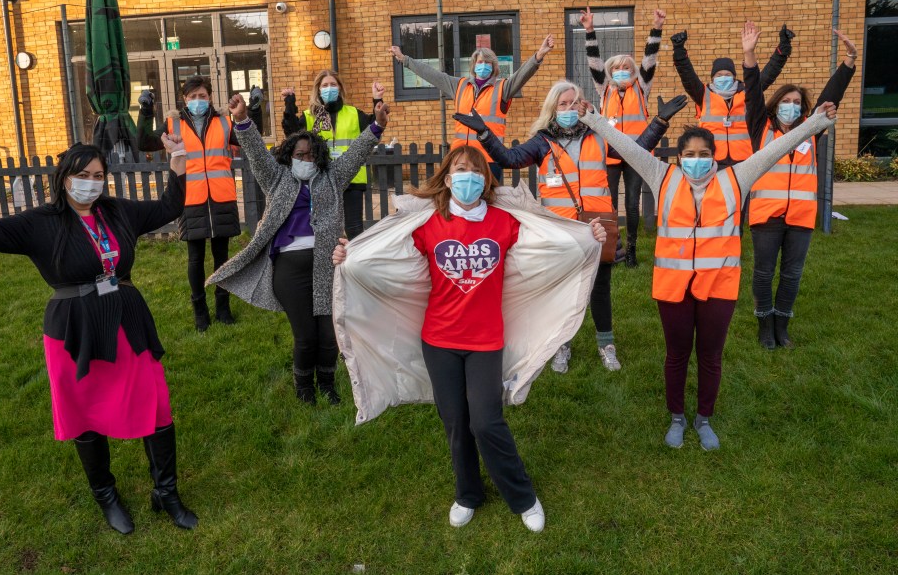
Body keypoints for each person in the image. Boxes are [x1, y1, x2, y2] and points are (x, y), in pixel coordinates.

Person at [332, 145, 608, 532]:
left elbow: (551, 242)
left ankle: (523, 497)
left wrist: (586, 236)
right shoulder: (427, 224)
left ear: (486, 181)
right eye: (461, 169)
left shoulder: (503, 222)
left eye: (476, 171)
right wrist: (352, 257)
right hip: (439, 339)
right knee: (455, 422)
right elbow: (387, 260)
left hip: (485, 340)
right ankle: (468, 493)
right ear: (447, 178)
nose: (468, 177)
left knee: (486, 421)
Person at [576, 93, 838, 450]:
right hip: (673, 288)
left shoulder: (736, 179)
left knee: (711, 356)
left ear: (713, 157)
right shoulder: (661, 176)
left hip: (719, 286)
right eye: (689, 155)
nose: (696, 161)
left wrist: (815, 123)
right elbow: (626, 147)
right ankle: (677, 417)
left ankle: (703, 419)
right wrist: (593, 119)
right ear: (679, 157)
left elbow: (775, 150)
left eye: (703, 154)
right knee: (677, 354)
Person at [0, 138, 198, 534]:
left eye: (98, 176)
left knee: (156, 405)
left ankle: (166, 493)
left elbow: (168, 207)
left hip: (126, 319)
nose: (91, 183)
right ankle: (106, 495)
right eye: (82, 176)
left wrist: (177, 160)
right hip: (74, 327)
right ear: (64, 178)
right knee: (84, 412)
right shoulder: (42, 222)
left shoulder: (116, 211)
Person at [456, 79, 683, 372]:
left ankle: (606, 344)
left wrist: (660, 121)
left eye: (574, 103)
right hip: (560, 228)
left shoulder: (598, 135)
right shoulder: (542, 141)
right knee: (564, 288)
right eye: (563, 104)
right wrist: (485, 133)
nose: (569, 108)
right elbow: (509, 159)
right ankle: (562, 344)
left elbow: (635, 151)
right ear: (553, 108)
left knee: (600, 288)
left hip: (597, 225)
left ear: (583, 106)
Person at [207, 94, 390, 405]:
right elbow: (255, 153)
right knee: (305, 336)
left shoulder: (332, 178)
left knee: (328, 335)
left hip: (327, 264)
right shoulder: (276, 179)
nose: (304, 160)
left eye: (309, 155)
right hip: (289, 270)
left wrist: (377, 126)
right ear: (289, 155)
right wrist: (241, 121)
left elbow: (356, 154)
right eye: (298, 155)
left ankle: (328, 385)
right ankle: (304, 389)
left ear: (318, 157)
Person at [744, 28, 858, 348]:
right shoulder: (760, 128)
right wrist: (750, 55)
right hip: (767, 217)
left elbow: (830, 97)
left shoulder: (811, 131)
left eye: (797, 102)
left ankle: (783, 324)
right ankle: (765, 325)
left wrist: (849, 61)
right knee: (765, 273)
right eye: (786, 101)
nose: (791, 106)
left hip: (801, 218)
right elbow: (752, 92)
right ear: (776, 104)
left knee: (792, 275)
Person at [137, 76, 252, 331]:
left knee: (223, 258)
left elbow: (248, 139)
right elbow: (143, 142)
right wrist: (145, 112)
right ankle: (200, 312)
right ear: (184, 99)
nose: (198, 101)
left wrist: (248, 111)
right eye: (192, 97)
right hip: (190, 197)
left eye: (202, 96)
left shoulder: (224, 121)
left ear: (210, 97)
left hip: (221, 196)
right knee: (195, 257)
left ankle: (223, 308)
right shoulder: (173, 123)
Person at [389, 34, 555, 180]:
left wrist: (539, 55)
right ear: (474, 65)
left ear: (494, 66)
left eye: (488, 62)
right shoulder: (459, 85)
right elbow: (432, 75)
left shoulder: (503, 88)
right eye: (480, 61)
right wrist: (405, 60)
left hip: (489, 159)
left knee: (489, 204)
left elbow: (522, 75)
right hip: (460, 158)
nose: (483, 65)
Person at [579, 6, 667, 267]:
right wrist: (589, 30)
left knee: (631, 203)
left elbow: (650, 59)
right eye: (616, 67)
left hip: (636, 154)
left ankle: (630, 249)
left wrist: (657, 28)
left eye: (626, 67)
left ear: (633, 72)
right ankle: (610, 247)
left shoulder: (642, 87)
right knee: (608, 203)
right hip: (609, 154)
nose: (621, 70)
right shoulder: (604, 89)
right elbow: (594, 62)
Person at [671, 23, 795, 166]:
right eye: (719, 75)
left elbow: (769, 73)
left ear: (734, 77)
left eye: (727, 74)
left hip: (745, 160)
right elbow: (687, 76)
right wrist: (679, 52)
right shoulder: (703, 93)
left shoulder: (748, 91)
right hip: (713, 160)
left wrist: (783, 49)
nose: (723, 77)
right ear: (713, 78)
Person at [280, 71, 385, 240]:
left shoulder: (353, 113)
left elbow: (375, 127)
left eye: (333, 84)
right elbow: (291, 133)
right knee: (324, 228)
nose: (330, 88)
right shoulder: (310, 116)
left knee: (354, 230)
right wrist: (289, 103)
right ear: (318, 90)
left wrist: (377, 99)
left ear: (340, 88)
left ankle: (353, 264)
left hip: (352, 179)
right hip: (321, 179)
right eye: (325, 85)